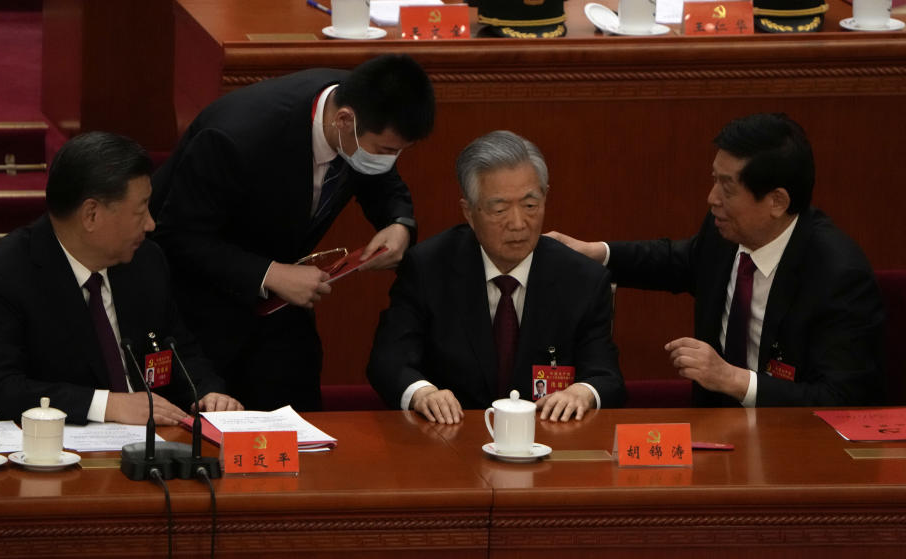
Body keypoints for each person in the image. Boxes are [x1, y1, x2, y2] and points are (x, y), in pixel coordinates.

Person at [150, 54, 436, 411]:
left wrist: (397, 223)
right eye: (385, 151)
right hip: (202, 309)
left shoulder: (362, 109)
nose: (388, 160)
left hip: (283, 308)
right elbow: (177, 236)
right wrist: (270, 273)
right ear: (344, 121)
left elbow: (380, 176)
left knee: (299, 426)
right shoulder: (236, 137)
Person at [548, 113, 885, 407]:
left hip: (797, 446)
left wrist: (731, 379)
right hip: (715, 433)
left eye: (727, 187)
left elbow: (841, 400)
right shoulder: (725, 232)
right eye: (715, 180)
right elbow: (677, 261)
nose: (712, 199)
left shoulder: (837, 275)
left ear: (777, 202)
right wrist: (597, 253)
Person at [0, 132, 242, 425]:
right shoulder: (1, 276)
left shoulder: (145, 261)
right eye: (140, 209)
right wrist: (106, 405)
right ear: (91, 215)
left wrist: (208, 391)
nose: (150, 223)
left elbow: (177, 347)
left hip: (155, 443)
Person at [367, 130, 625, 424]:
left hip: (547, 442)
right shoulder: (429, 267)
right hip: (450, 441)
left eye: (530, 205)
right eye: (500, 209)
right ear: (469, 212)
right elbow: (389, 360)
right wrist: (423, 393)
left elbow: (606, 376)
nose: (518, 224)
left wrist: (583, 392)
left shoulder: (583, 279)